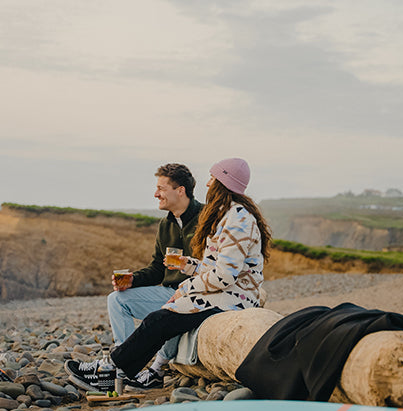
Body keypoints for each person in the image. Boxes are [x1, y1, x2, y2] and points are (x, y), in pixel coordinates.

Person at [66, 157, 272, 390]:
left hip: (233, 299)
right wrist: (189, 265)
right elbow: (214, 266)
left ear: (223, 182)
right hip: (222, 293)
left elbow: (224, 276)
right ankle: (113, 369)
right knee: (160, 317)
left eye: (212, 178)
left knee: (160, 318)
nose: (207, 184)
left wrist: (185, 289)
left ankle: (111, 370)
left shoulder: (238, 218)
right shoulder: (228, 215)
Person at [66, 163, 203, 390]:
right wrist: (133, 280)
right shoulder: (165, 224)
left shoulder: (205, 219)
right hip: (168, 292)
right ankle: (123, 364)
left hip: (193, 296)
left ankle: (124, 369)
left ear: (180, 191)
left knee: (170, 310)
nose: (155, 194)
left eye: (161, 188)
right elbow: (158, 269)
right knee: (117, 299)